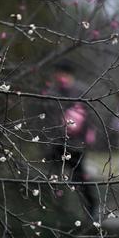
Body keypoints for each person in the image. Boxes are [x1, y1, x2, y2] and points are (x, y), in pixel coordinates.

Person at [48, 63, 99, 219]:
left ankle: (90, 208)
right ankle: (57, 210)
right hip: (57, 141)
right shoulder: (53, 91)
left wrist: (89, 133)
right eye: (58, 75)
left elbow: (91, 115)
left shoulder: (81, 91)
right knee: (54, 175)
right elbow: (48, 115)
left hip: (76, 143)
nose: (61, 78)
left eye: (63, 74)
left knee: (79, 176)